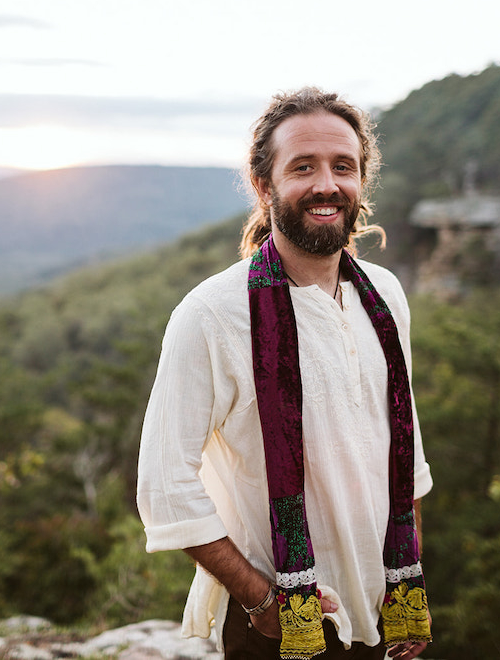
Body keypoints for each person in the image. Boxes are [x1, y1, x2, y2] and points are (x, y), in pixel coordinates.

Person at [136, 87, 433, 660]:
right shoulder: (212, 314)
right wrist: (260, 601)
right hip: (278, 625)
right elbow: (165, 484)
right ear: (264, 185)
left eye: (342, 166)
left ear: (362, 180)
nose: (326, 184)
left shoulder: (387, 296)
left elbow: (405, 452)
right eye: (303, 167)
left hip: (380, 608)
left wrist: (407, 589)